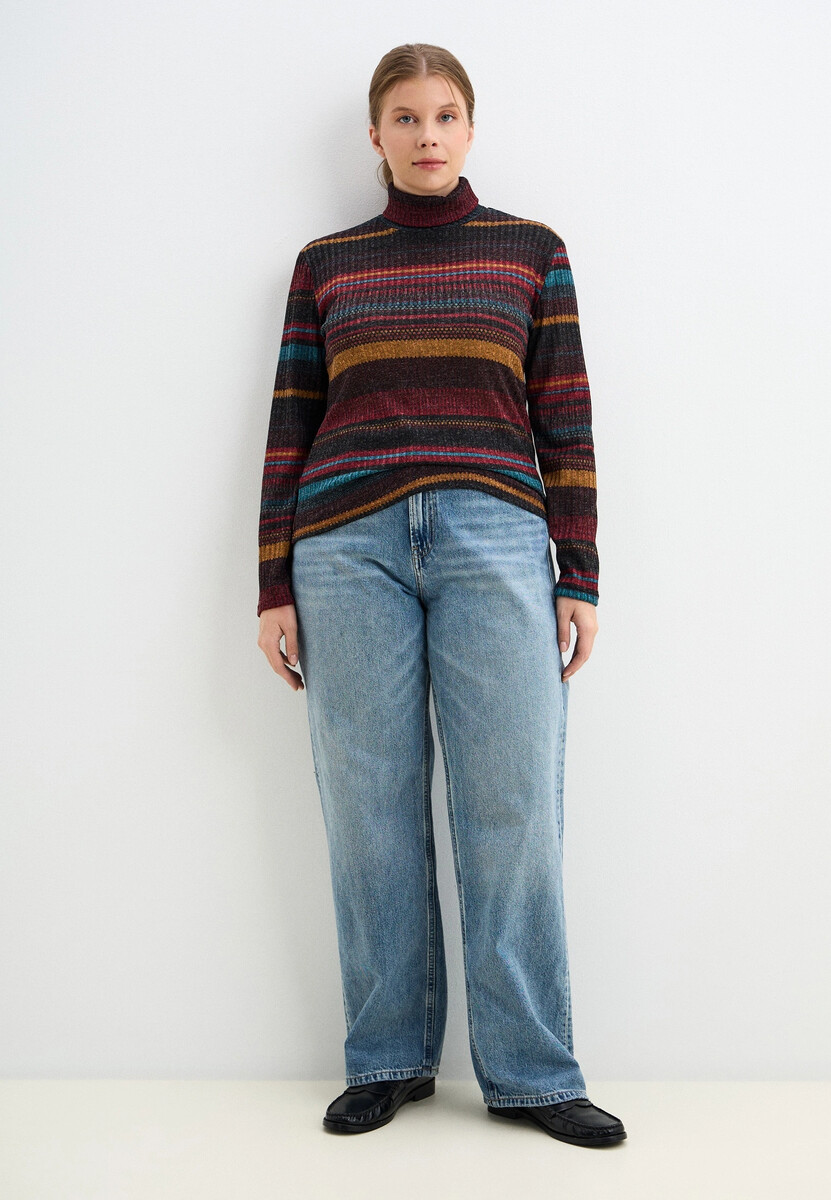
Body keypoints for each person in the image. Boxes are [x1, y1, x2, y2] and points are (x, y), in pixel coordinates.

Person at [256, 43, 626, 1148]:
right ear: (375, 136)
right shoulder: (325, 264)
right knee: (367, 811)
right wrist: (273, 582)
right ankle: (388, 1060)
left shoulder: (531, 251)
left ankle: (533, 1074)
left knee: (512, 808)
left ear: (471, 128)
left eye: (446, 115)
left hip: (496, 538)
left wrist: (579, 571)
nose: (427, 135)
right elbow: (290, 426)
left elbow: (565, 417)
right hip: (345, 547)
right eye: (407, 117)